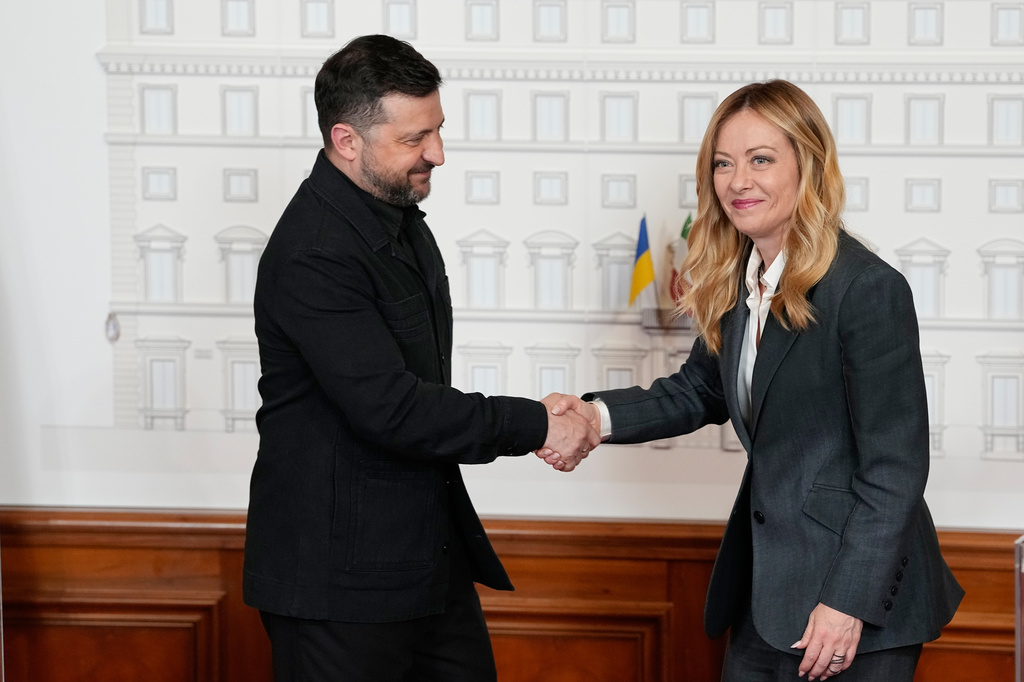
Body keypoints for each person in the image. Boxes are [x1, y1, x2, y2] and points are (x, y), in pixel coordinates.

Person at [541, 80, 963, 681]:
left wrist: (847, 603)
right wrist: (593, 417)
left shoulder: (866, 289)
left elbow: (894, 469)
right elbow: (700, 390)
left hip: (856, 608)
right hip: (768, 595)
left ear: (808, 166)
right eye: (723, 163)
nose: (739, 181)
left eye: (761, 159)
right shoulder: (741, 282)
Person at [243, 34, 598, 682]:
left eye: (436, 130)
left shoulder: (400, 216)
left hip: (424, 561)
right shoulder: (315, 251)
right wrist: (539, 423)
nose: (437, 152)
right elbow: (394, 409)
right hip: (336, 583)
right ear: (347, 141)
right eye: (414, 139)